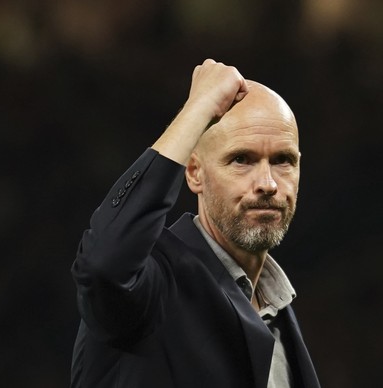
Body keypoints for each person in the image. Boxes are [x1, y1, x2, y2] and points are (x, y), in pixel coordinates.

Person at [70, 59, 320, 388]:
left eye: (282, 161)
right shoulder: (152, 286)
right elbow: (102, 266)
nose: (267, 183)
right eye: (241, 159)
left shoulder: (279, 310)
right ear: (194, 172)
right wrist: (198, 108)